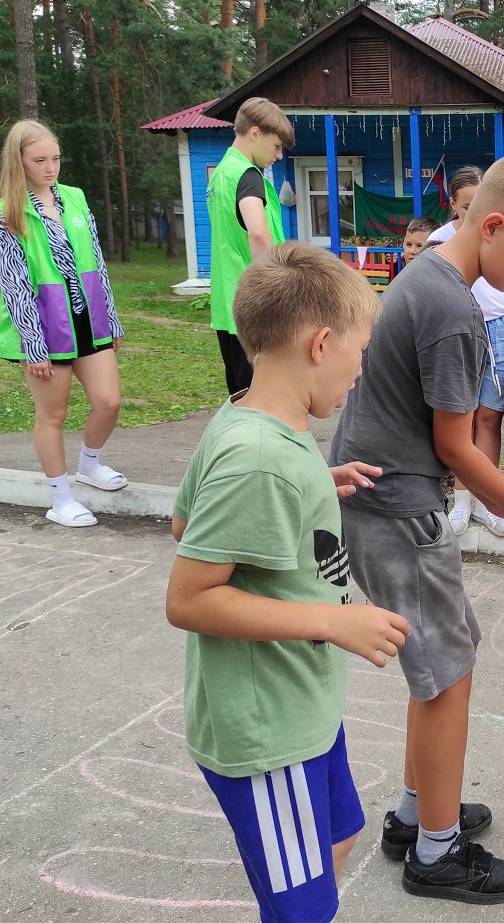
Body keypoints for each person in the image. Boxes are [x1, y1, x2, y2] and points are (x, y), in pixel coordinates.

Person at [329, 154, 504, 904]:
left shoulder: (428, 276)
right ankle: (436, 852)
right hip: (399, 509)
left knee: (445, 656)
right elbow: (455, 445)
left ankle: (416, 814)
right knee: (447, 676)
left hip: (382, 499)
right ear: (491, 225)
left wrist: (495, 493)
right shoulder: (453, 310)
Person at [165, 241, 411, 923]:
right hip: (268, 731)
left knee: (341, 835)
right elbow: (189, 597)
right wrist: (335, 620)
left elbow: (188, 521)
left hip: (304, 710)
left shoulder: (255, 420)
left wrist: (307, 490)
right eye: (360, 352)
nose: (360, 371)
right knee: (302, 910)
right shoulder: (260, 458)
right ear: (322, 344)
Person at [0, 119, 126, 529]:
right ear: (19, 162)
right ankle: (61, 499)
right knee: (54, 414)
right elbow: (14, 285)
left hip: (88, 319)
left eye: (55, 158)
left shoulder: (75, 198)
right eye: (40, 160)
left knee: (109, 402)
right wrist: (33, 344)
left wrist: (111, 318)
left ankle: (90, 464)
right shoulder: (7, 214)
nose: (51, 168)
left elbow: (97, 261)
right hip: (45, 327)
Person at [429, 166, 504, 538]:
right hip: (459, 329)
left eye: (481, 204)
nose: (474, 213)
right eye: (466, 206)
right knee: (462, 416)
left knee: (490, 417)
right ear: (452, 204)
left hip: (502, 329)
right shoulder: (439, 241)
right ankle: (461, 501)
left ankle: (487, 500)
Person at [207, 97, 294, 395]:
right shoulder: (248, 175)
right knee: (265, 398)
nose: (278, 155)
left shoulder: (221, 173)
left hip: (227, 303)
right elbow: (257, 232)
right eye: (276, 146)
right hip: (254, 308)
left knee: (240, 396)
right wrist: (274, 287)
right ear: (255, 133)